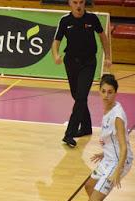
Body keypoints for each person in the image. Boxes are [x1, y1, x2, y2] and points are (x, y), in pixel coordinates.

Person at [79, 74, 133, 201]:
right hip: (110, 158)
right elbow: (116, 142)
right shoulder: (107, 109)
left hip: (119, 162)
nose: (106, 95)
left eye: (110, 92)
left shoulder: (117, 116)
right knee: (88, 186)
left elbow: (124, 147)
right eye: (103, 91)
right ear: (99, 91)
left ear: (116, 93)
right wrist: (105, 153)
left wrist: (117, 171)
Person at [52, 0, 112, 148]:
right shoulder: (65, 21)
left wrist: (109, 56)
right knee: (77, 95)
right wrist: (56, 55)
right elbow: (56, 41)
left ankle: (69, 134)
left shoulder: (92, 19)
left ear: (84, 3)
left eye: (81, 2)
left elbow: (103, 37)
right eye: (75, 2)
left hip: (88, 63)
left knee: (81, 96)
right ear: (70, 4)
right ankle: (86, 127)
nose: (78, 6)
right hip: (71, 62)